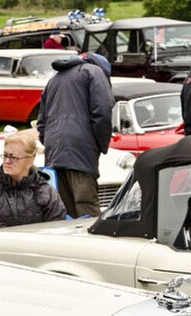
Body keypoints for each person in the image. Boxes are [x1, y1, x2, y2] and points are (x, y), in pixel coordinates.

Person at [37, 52, 114, 218]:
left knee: (63, 209)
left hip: (53, 150)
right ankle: (92, 244)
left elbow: (41, 121)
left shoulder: (54, 79)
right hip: (80, 149)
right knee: (86, 205)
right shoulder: (95, 72)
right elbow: (103, 112)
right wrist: (101, 145)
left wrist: (50, 141)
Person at [0, 130, 67, 231]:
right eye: (5, 155)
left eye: (13, 157)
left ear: (30, 160)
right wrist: (14, 235)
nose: (7, 161)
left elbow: (57, 225)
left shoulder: (45, 191)